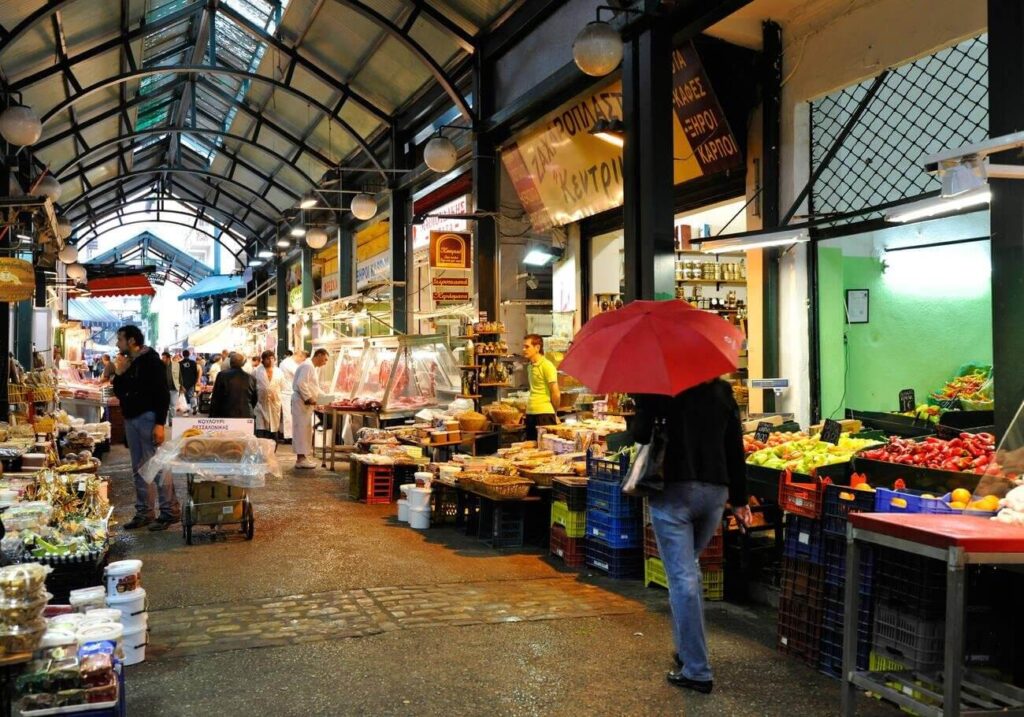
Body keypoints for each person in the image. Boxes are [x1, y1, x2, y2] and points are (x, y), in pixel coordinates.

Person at [633, 380, 753, 695]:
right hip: (715, 493)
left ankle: (697, 670)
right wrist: (740, 499)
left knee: (683, 578)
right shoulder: (722, 390)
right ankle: (688, 651)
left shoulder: (657, 386)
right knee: (690, 569)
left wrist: (643, 400)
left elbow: (640, 434)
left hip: (674, 491)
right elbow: (734, 446)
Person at [111, 325, 180, 531]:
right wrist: (120, 373)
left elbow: (162, 394)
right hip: (131, 418)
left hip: (148, 418)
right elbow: (121, 391)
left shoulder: (151, 361)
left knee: (156, 465)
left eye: (120, 339)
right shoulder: (128, 363)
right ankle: (144, 512)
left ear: (132, 341)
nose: (117, 343)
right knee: (138, 467)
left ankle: (169, 511)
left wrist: (159, 423)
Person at [291, 348, 327, 469]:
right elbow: (301, 384)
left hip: (303, 404)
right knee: (301, 430)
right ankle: (301, 459)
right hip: (302, 403)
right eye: (325, 359)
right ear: (319, 355)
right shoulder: (308, 366)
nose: (325, 362)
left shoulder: (310, 366)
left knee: (305, 430)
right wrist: (309, 399)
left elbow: (312, 387)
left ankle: (303, 457)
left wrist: (326, 397)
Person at [521, 334, 560, 441]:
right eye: (523, 347)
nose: (523, 349)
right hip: (530, 413)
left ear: (537, 348)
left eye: (527, 347)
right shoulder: (529, 366)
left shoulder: (547, 365)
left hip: (544, 414)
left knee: (547, 448)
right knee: (531, 449)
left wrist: (554, 412)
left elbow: (555, 393)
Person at [209, 352, 258, 419]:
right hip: (245, 414)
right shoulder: (251, 378)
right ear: (242, 363)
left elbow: (216, 397)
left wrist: (212, 415)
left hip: (226, 414)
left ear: (230, 363)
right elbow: (254, 399)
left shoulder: (222, 375)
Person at [253, 350, 286, 439]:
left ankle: (273, 449)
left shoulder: (279, 372)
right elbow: (252, 386)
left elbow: (283, 387)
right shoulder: (256, 371)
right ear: (262, 360)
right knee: (261, 428)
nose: (270, 361)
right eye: (268, 359)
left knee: (273, 428)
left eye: (272, 358)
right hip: (261, 405)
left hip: (275, 404)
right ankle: (261, 450)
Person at [278, 349, 302, 442]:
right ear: (298, 355)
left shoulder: (289, 363)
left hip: (289, 391)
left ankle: (289, 435)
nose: (302, 361)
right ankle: (289, 436)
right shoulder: (288, 363)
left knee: (289, 415)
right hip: (287, 392)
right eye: (302, 358)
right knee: (288, 415)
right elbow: (298, 374)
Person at [161, 351, 181, 424]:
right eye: (162, 358)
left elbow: (180, 376)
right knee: (165, 406)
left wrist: (181, 386)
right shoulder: (160, 365)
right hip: (164, 389)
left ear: (168, 358)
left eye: (164, 358)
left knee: (172, 406)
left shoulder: (176, 365)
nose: (162, 359)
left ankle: (171, 422)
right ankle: (162, 422)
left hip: (174, 389)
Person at [178, 350, 198, 414]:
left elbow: (179, 374)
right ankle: (194, 407)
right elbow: (195, 373)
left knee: (183, 396)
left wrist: (181, 384)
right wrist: (194, 381)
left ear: (183, 355)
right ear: (189, 354)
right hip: (191, 382)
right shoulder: (193, 362)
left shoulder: (180, 363)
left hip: (183, 383)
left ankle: (185, 409)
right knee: (191, 396)